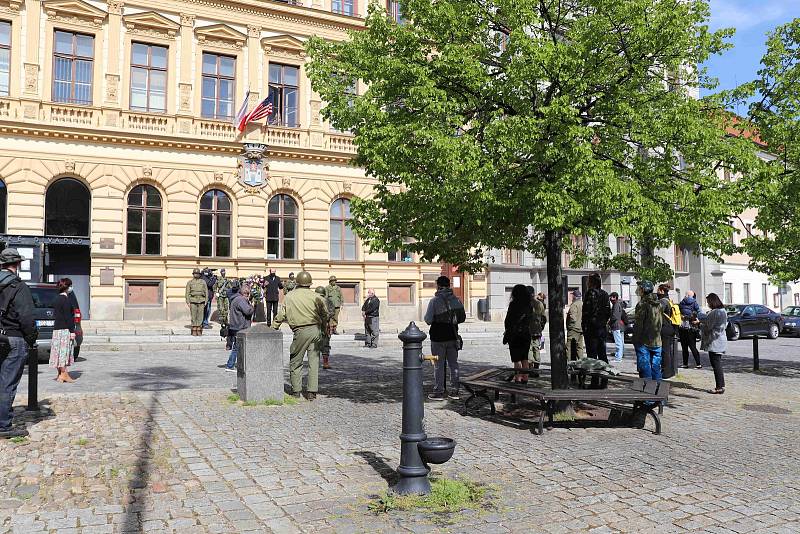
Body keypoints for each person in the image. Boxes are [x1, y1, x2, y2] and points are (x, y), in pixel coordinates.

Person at [272, 271, 327, 400]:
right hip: (315, 330)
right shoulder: (316, 296)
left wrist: (273, 327)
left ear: (297, 282)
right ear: (309, 283)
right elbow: (324, 314)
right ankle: (312, 392)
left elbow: (281, 315)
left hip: (300, 331)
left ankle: (296, 390)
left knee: (296, 360)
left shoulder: (290, 296)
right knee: (314, 362)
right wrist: (323, 330)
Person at [0, 248, 37, 438]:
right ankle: (3, 426)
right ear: (18, 264)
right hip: (13, 337)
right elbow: (27, 318)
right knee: (7, 382)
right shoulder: (18, 286)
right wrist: (31, 339)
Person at [424, 276, 466, 400]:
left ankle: (439, 391)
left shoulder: (434, 301)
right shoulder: (457, 300)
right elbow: (462, 318)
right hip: (452, 336)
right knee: (454, 364)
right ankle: (455, 391)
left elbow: (428, 320)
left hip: (438, 337)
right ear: (449, 285)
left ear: (438, 286)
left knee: (438, 365)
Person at [633, 280, 663, 381]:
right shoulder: (658, 303)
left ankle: (648, 395)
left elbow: (638, 325)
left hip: (644, 341)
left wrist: (635, 340)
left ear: (643, 290)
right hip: (657, 341)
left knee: (645, 369)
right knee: (656, 369)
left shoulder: (642, 304)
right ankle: (658, 393)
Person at [49, 278, 77, 383]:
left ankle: (60, 375)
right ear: (67, 287)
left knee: (58, 352)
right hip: (65, 329)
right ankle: (64, 374)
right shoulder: (66, 300)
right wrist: (72, 331)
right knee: (64, 353)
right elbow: (68, 317)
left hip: (57, 329)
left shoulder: (56, 299)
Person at [698, 293, 727, 394]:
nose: (708, 304)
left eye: (708, 302)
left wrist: (699, 324)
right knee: (717, 363)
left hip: (715, 341)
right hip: (720, 340)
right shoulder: (723, 311)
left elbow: (709, 325)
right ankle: (721, 385)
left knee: (716, 364)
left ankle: (719, 386)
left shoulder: (715, 312)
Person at [504, 285, 533, 383]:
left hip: (515, 335)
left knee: (516, 359)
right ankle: (525, 378)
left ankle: (518, 378)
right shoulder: (529, 305)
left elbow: (508, 320)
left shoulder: (513, 304)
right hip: (526, 334)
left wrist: (508, 329)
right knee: (525, 358)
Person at [224, 284, 254, 372]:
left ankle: (239, 364)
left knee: (238, 347)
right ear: (246, 293)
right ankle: (230, 365)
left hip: (236, 326)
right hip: (240, 326)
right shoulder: (241, 300)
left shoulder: (236, 298)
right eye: (248, 294)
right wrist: (252, 306)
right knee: (237, 347)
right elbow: (248, 311)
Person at [657, 284, 678, 379]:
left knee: (665, 351)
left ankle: (666, 372)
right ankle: (670, 371)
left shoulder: (662, 301)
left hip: (664, 328)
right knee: (668, 351)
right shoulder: (669, 300)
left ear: (661, 291)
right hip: (670, 328)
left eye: (658, 290)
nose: (656, 291)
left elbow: (656, 314)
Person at [678, 290, 703, 369]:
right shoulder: (695, 303)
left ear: (686, 295)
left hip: (682, 327)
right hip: (691, 327)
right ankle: (698, 364)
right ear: (692, 296)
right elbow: (699, 313)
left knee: (684, 347)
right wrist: (697, 321)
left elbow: (678, 312)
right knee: (693, 347)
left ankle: (685, 364)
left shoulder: (682, 302)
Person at [527, 286, 546, 377]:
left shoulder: (527, 304)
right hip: (537, 330)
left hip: (528, 330)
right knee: (537, 348)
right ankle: (536, 369)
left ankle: (530, 369)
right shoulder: (540, 304)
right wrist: (541, 327)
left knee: (529, 349)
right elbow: (544, 318)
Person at [316, 286, 335, 369]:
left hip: (323, 325)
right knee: (323, 344)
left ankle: (324, 362)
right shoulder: (313, 301)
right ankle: (324, 363)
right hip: (318, 325)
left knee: (323, 344)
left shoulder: (328, 301)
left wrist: (325, 316)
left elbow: (332, 311)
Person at [213, 269, 233, 347]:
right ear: (221, 273)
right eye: (222, 272)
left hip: (226, 296)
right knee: (220, 309)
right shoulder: (218, 280)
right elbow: (214, 287)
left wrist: (228, 289)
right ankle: (222, 321)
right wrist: (216, 292)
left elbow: (230, 288)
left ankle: (225, 320)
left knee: (226, 309)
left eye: (224, 272)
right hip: (220, 296)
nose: (223, 273)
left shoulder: (227, 280)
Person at [185, 269, 208, 336]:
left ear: (199, 274)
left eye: (197, 273)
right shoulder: (190, 282)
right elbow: (187, 292)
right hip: (193, 300)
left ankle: (199, 328)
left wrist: (206, 301)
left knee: (200, 315)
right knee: (193, 315)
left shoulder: (203, 282)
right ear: (193, 274)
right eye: (195, 273)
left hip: (201, 300)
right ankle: (194, 328)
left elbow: (206, 291)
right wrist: (188, 301)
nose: (196, 275)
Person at [566, 290, 584, 361]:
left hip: (573, 329)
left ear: (574, 296)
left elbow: (572, 318)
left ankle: (570, 363)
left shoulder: (574, 305)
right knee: (579, 347)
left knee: (569, 347)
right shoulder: (582, 303)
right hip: (580, 328)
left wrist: (570, 327)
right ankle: (580, 362)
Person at [609, 292, 625, 362]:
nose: (610, 299)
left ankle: (618, 358)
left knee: (618, 343)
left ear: (615, 297)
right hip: (620, 326)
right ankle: (619, 356)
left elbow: (614, 316)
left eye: (611, 297)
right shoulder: (619, 304)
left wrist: (609, 322)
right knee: (621, 342)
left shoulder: (616, 305)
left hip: (616, 326)